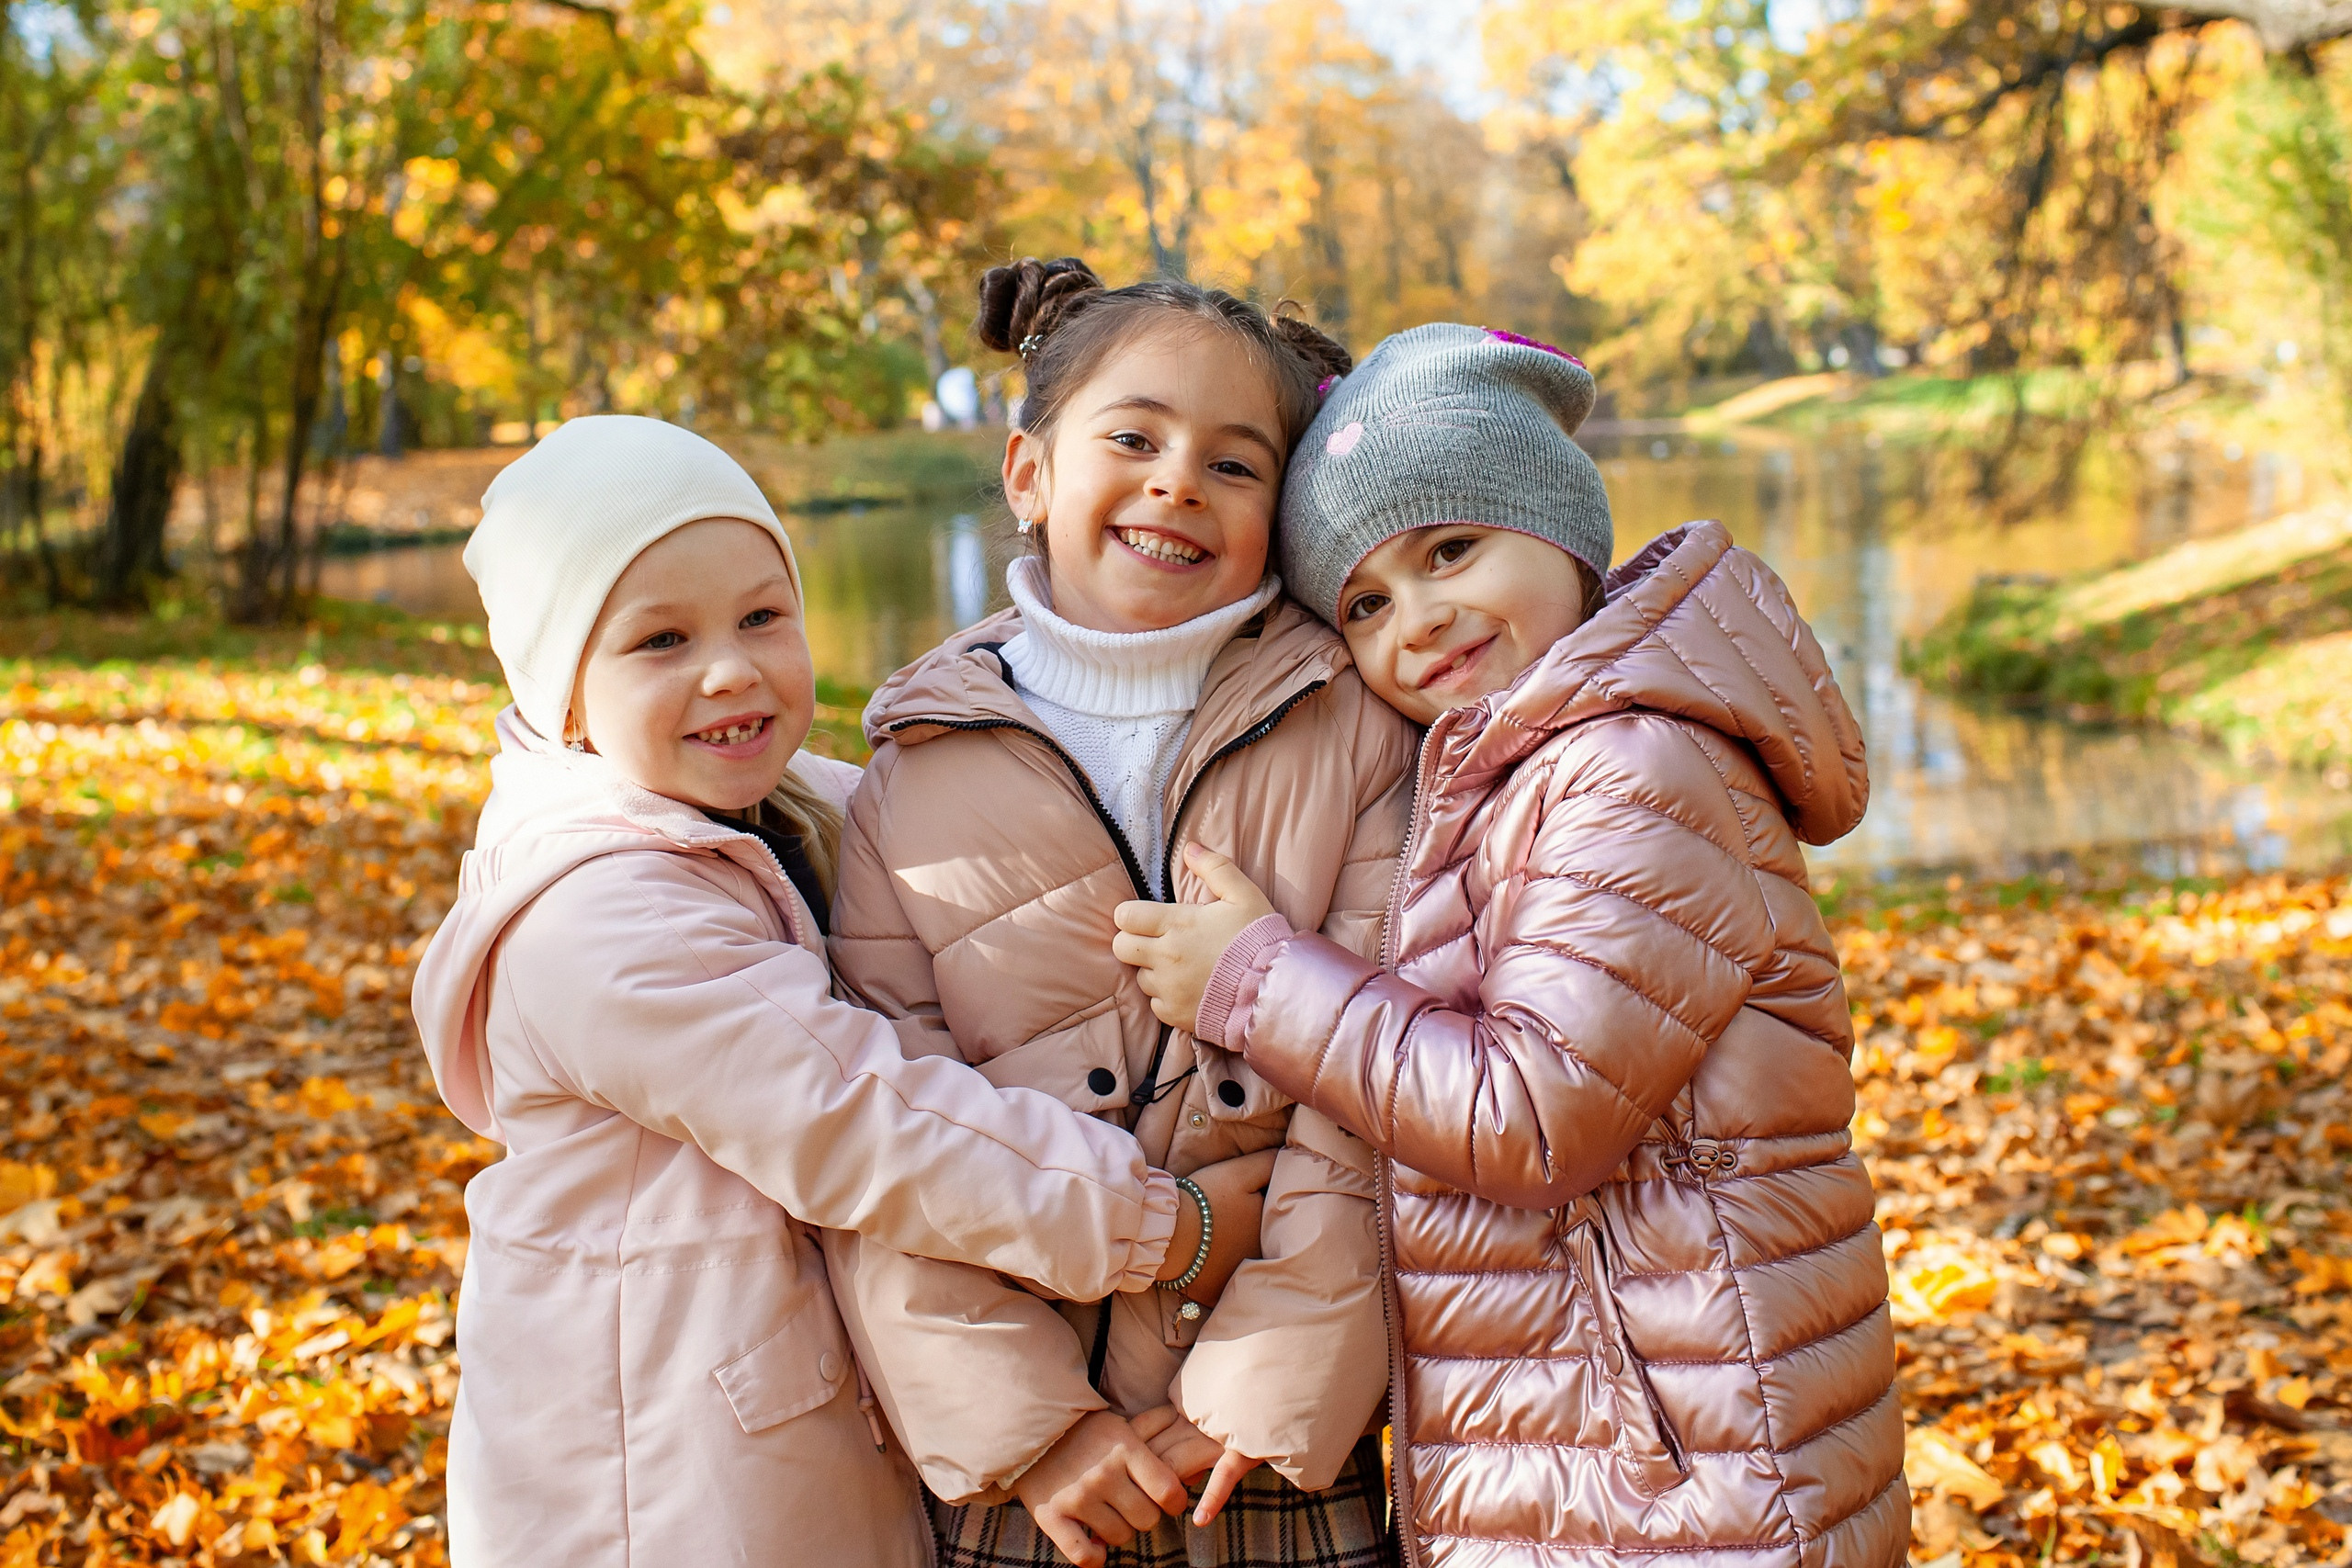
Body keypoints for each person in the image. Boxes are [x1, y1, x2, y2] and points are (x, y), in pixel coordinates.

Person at [410, 415, 1272, 1568]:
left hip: (783, 1427)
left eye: (763, 616)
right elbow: (875, 1126)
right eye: (659, 639)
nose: (733, 667)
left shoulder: (792, 807)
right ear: (562, 693)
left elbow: (978, 872)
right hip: (655, 1486)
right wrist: (1171, 1227)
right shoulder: (600, 927)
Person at [1113, 323, 1909, 1568]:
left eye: (1451, 549)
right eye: (1366, 602)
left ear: (1559, 529)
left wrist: (1252, 978)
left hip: (1685, 1472)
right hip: (1605, 1440)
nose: (1419, 618)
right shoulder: (1524, 769)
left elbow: (1533, 1112)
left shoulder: (1633, 766)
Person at [823, 258, 1419, 1568]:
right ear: (1030, 472)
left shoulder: (1356, 731)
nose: (1177, 483)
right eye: (1135, 438)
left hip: (1271, 1437)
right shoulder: (912, 778)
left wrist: (1271, 1378)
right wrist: (1026, 1423)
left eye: (1236, 462)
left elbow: (1373, 1091)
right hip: (1036, 1472)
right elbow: (885, 1128)